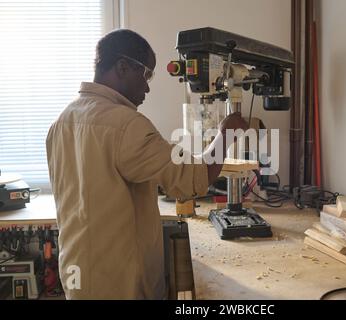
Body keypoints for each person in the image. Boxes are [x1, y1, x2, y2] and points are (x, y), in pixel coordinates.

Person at [46, 29, 248, 299]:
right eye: (147, 74)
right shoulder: (126, 124)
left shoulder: (61, 121)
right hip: (120, 282)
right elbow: (195, 178)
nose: (148, 87)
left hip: (77, 272)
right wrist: (226, 132)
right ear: (122, 67)